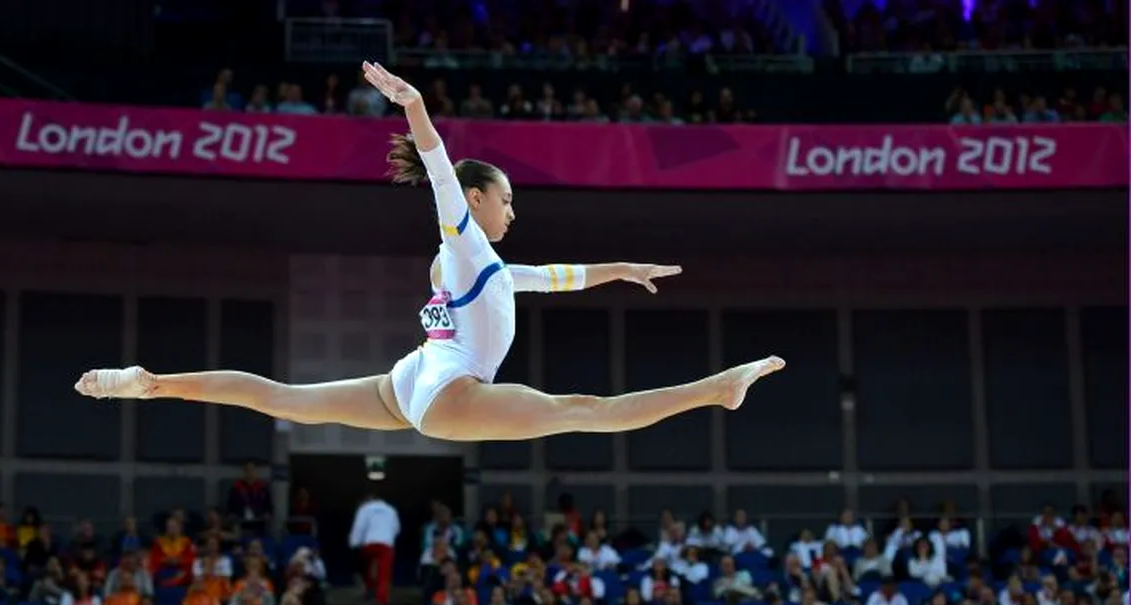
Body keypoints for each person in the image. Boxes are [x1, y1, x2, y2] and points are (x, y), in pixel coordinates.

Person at [73, 61, 784, 443]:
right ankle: (716, 390)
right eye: (505, 197)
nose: (513, 208)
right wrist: (414, 107)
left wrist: (620, 269)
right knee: (584, 410)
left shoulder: (484, 267)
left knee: (281, 397)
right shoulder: (464, 238)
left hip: (410, 380)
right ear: (476, 201)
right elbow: (441, 168)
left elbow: (553, 278)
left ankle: (148, 381)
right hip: (447, 392)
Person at [350, 494, 400, 605]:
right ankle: (381, 600)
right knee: (384, 574)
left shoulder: (364, 509)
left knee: (366, 568)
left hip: (369, 542)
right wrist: (389, 537)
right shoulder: (391, 510)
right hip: (386, 543)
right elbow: (397, 528)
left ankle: (369, 589)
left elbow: (359, 527)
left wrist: (354, 544)